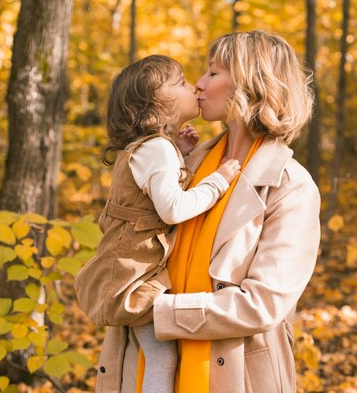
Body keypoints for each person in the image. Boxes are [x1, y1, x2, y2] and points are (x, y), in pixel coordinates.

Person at [94, 30, 321, 393]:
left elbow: (261, 305)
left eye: (213, 73)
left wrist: (158, 312)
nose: (199, 84)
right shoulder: (182, 161)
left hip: (233, 376)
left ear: (252, 84)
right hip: (143, 367)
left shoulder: (291, 186)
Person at [74, 55, 242, 393]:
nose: (193, 85)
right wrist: (218, 182)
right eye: (179, 83)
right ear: (155, 105)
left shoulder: (151, 148)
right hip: (135, 274)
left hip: (128, 265)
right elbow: (173, 209)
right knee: (162, 358)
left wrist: (179, 153)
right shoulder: (157, 151)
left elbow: (150, 191)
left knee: (156, 353)